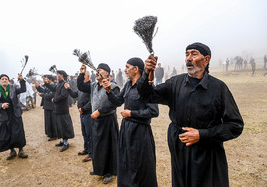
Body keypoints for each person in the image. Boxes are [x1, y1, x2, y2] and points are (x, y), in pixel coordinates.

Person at [137, 42, 244, 187]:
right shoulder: (175, 83)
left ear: (206, 60)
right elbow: (148, 96)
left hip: (207, 152)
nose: (188, 58)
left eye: (194, 54)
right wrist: (146, 73)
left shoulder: (218, 88)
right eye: (186, 54)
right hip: (179, 148)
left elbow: (235, 125)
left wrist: (202, 134)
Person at [102, 57, 159, 187]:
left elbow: (153, 111)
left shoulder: (147, 87)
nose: (125, 70)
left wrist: (131, 113)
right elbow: (118, 101)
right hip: (126, 129)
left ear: (136, 69)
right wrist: (109, 91)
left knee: (140, 165)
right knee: (126, 162)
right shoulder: (128, 85)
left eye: (127, 67)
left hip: (140, 132)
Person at [77, 63, 119, 184]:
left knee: (108, 147)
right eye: (96, 70)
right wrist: (81, 73)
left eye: (99, 70)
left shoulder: (114, 87)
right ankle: (99, 169)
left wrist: (100, 111)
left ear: (106, 73)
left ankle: (110, 172)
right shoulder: (93, 85)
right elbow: (80, 86)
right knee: (98, 147)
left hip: (108, 121)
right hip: (96, 121)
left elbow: (113, 104)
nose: (96, 72)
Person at [0, 74, 28, 160]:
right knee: (8, 134)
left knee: (18, 133)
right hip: (4, 116)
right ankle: (12, 151)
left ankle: (21, 151)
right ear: (0, 81)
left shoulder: (13, 88)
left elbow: (23, 89)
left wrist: (21, 81)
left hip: (15, 114)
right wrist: (1, 105)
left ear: (8, 81)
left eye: (6, 79)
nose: (4, 80)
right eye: (2, 79)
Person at [64, 71, 92, 162]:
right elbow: (74, 94)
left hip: (88, 113)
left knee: (90, 134)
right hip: (82, 114)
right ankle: (86, 149)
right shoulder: (81, 87)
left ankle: (91, 154)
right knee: (84, 133)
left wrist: (83, 108)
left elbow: (92, 101)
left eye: (83, 77)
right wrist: (68, 89)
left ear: (87, 77)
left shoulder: (90, 87)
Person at [45, 70, 75, 152]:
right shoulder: (59, 83)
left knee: (64, 125)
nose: (56, 76)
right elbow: (54, 88)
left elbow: (63, 95)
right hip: (58, 108)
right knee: (60, 125)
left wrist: (54, 100)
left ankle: (66, 143)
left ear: (61, 75)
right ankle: (62, 140)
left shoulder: (64, 84)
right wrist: (47, 84)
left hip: (63, 109)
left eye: (58, 75)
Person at [35, 75, 58, 141]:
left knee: (52, 121)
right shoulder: (47, 85)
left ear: (50, 79)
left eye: (46, 79)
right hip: (47, 106)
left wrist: (42, 95)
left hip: (52, 106)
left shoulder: (54, 85)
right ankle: (49, 133)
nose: (44, 80)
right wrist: (38, 87)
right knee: (48, 120)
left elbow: (51, 95)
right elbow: (43, 90)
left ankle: (54, 135)